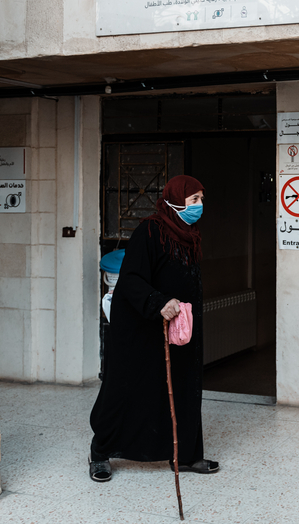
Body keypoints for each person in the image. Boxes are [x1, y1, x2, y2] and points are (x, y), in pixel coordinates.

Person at [88, 175, 219, 481]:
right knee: (126, 389)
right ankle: (100, 453)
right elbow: (131, 278)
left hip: (178, 328)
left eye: (201, 199)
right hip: (142, 326)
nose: (200, 206)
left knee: (183, 386)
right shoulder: (151, 230)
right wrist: (158, 301)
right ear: (176, 200)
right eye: (194, 200)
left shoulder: (190, 233)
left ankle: (185, 455)